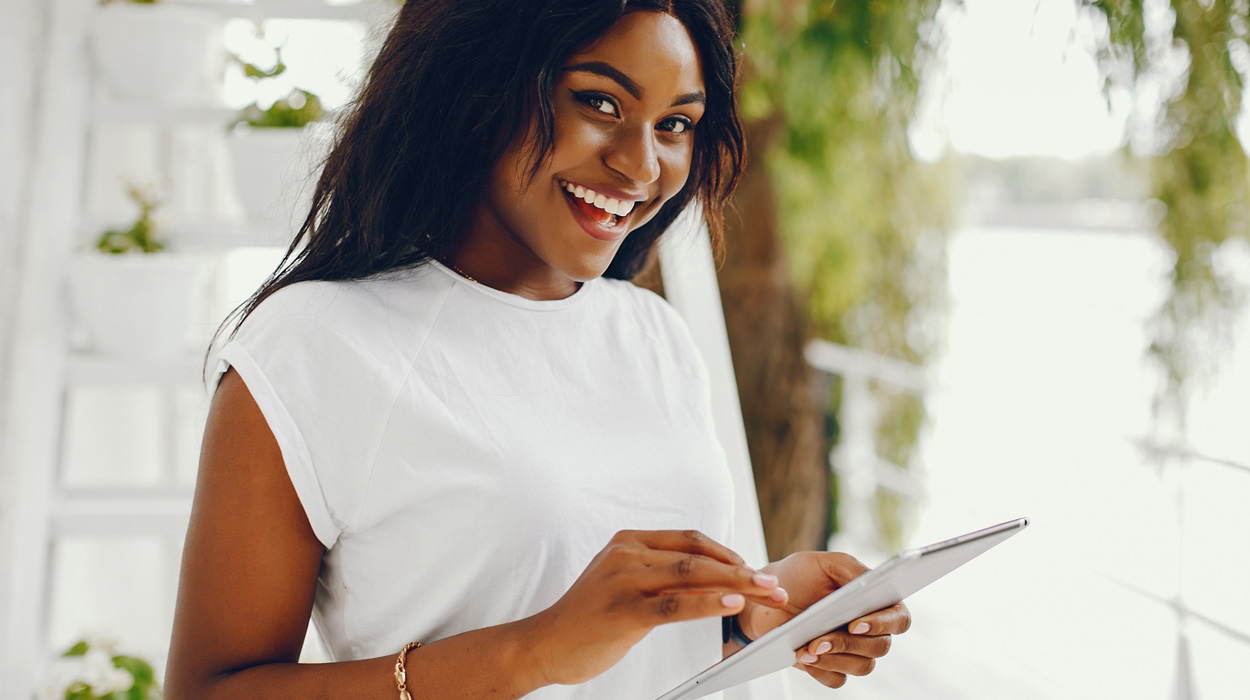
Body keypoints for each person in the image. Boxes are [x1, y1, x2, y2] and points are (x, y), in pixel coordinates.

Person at [164, 1, 910, 698]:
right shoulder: (314, 344)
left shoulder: (653, 336)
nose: (642, 166)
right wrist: (533, 650)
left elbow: (619, 651)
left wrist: (750, 614)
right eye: (601, 103)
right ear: (478, 85)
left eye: (675, 124)